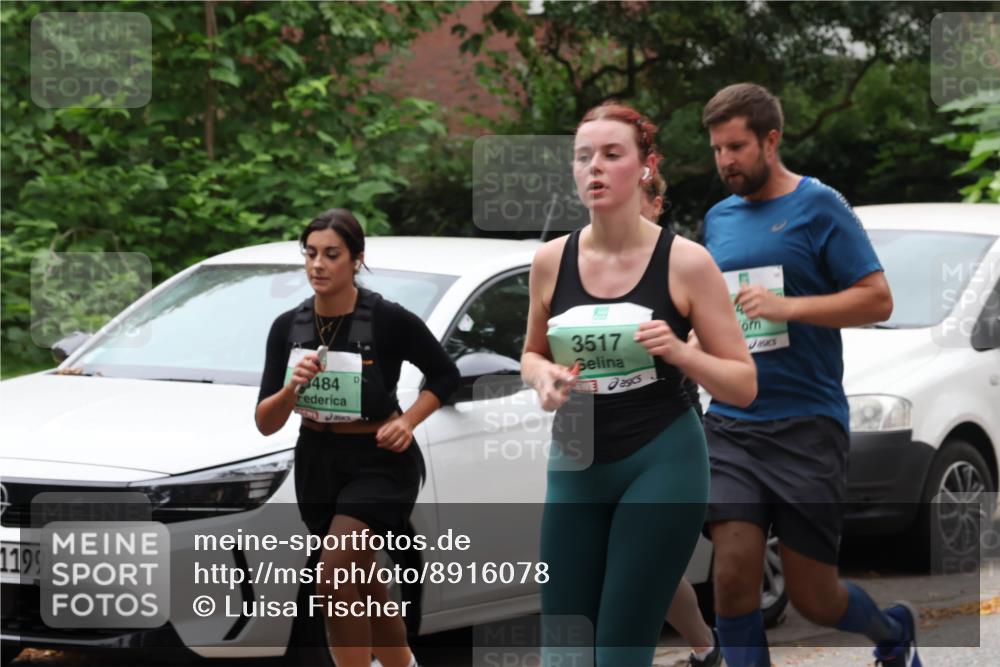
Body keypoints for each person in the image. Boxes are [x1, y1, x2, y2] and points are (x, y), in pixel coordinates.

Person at [521, 101, 756, 666]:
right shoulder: (552, 260)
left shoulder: (687, 263)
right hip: (577, 455)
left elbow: (743, 384)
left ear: (646, 166)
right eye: (583, 157)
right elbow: (530, 353)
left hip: (663, 457)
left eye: (611, 154)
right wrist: (544, 378)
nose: (594, 167)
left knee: (619, 653)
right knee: (565, 651)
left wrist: (678, 350)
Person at [698, 83, 915, 667]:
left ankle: (893, 633)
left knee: (816, 597)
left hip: (807, 424)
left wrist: (789, 306)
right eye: (717, 149)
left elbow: (877, 300)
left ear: (772, 139)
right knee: (733, 577)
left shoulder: (821, 205)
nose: (726, 161)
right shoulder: (717, 219)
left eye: (737, 147)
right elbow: (710, 308)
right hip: (732, 423)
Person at [255, 208, 459, 667]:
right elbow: (266, 421)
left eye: (331, 254)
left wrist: (408, 422)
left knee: (332, 575)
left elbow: (446, 375)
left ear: (356, 260)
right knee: (362, 584)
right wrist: (292, 388)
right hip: (318, 462)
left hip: (380, 462)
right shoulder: (287, 326)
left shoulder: (388, 319)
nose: (318, 265)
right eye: (310, 254)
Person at [639, 172, 720, 667]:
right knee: (642, 565)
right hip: (600, 430)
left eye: (640, 203)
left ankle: (706, 646)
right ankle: (707, 648)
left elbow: (716, 335)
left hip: (671, 419)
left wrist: (683, 350)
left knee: (650, 564)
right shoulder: (590, 264)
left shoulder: (682, 261)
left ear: (656, 204)